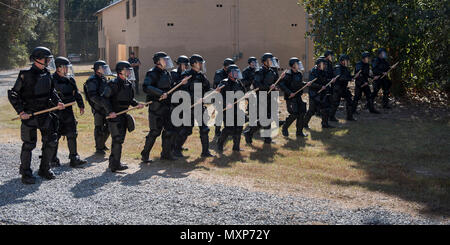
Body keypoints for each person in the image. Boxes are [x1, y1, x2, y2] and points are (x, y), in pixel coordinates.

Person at [8, 47, 65, 184]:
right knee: (29, 144)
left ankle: (44, 169)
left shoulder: (47, 73)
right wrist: (21, 112)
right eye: (47, 59)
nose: (49, 61)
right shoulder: (25, 74)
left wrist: (58, 102)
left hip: (45, 114)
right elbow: (13, 94)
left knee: (51, 141)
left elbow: (52, 91)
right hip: (30, 115)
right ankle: (26, 173)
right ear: (38, 59)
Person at [102, 61, 144, 172]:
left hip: (123, 115)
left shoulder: (128, 84)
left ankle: (114, 162)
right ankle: (115, 165)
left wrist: (137, 104)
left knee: (120, 140)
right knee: (117, 140)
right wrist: (110, 112)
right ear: (120, 71)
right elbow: (104, 98)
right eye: (127, 70)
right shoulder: (113, 84)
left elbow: (130, 99)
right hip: (114, 116)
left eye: (130, 70)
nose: (129, 72)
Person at [174, 54, 214, 158]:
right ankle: (176, 149)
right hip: (188, 107)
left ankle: (205, 152)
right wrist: (194, 99)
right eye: (200, 63)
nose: (201, 65)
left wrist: (213, 93)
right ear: (194, 63)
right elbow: (181, 92)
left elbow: (207, 88)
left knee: (204, 129)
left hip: (199, 107)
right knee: (187, 129)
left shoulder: (201, 76)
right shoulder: (186, 75)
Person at [141, 52, 179, 162]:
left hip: (167, 107)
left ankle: (166, 154)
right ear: (158, 61)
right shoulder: (152, 73)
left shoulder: (167, 73)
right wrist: (160, 93)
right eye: (164, 59)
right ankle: (145, 154)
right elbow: (146, 87)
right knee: (155, 132)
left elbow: (170, 87)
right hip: (156, 107)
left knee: (169, 131)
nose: (166, 61)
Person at [50, 56, 87, 168]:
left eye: (67, 67)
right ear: (58, 68)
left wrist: (81, 105)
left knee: (72, 133)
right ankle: (52, 159)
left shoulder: (70, 79)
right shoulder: (51, 80)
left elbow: (76, 93)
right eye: (65, 67)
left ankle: (74, 158)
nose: (67, 69)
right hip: (56, 112)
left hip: (68, 111)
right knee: (55, 135)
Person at [243, 53, 280, 145]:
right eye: (270, 60)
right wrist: (269, 87)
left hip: (270, 96)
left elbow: (276, 82)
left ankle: (267, 138)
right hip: (262, 97)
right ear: (265, 61)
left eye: (272, 60)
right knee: (264, 118)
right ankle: (249, 133)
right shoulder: (259, 71)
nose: (272, 62)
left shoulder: (272, 71)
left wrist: (276, 86)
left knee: (269, 117)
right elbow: (257, 85)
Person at [84, 60, 113, 155]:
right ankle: (98, 147)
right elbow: (93, 97)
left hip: (106, 107)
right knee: (99, 127)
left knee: (109, 126)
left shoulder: (104, 78)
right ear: (97, 70)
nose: (105, 69)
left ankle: (102, 143)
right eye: (103, 68)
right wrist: (103, 104)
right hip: (98, 108)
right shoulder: (92, 80)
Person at [216, 65, 245, 153]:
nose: (236, 74)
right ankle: (220, 143)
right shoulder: (224, 83)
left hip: (237, 108)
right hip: (227, 109)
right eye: (234, 72)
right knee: (229, 128)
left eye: (237, 72)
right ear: (229, 73)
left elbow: (243, 92)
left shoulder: (238, 82)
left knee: (239, 128)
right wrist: (226, 104)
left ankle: (236, 147)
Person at [279, 57, 309, 137]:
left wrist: (305, 83)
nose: (299, 65)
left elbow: (299, 83)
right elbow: (282, 85)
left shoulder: (299, 73)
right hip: (290, 98)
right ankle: (284, 128)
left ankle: (299, 132)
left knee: (302, 113)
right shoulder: (288, 74)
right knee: (294, 114)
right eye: (297, 64)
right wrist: (290, 93)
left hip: (298, 96)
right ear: (293, 65)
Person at [304, 57, 334, 129]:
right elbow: (311, 83)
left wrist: (330, 80)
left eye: (325, 64)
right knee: (312, 110)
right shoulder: (313, 71)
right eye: (323, 64)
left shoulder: (324, 71)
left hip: (322, 93)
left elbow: (325, 80)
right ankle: (304, 124)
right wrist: (320, 87)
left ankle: (325, 124)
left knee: (326, 108)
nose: (325, 65)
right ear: (319, 64)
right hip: (314, 93)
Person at [171, 55, 190, 154]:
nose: (186, 67)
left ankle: (179, 145)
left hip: (186, 103)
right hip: (176, 103)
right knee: (177, 128)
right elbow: (172, 87)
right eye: (184, 65)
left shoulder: (187, 74)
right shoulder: (174, 73)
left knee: (186, 128)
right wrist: (181, 82)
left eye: (187, 65)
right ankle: (174, 148)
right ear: (180, 64)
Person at [329, 54, 357, 122]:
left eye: (347, 61)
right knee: (335, 103)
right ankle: (331, 117)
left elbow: (348, 76)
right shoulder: (338, 67)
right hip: (337, 88)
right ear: (342, 61)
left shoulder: (346, 68)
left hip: (344, 88)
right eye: (346, 60)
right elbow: (340, 78)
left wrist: (353, 76)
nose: (347, 62)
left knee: (349, 101)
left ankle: (349, 116)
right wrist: (349, 79)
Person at [213, 58, 235, 138]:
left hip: (229, 96)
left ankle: (228, 130)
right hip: (220, 96)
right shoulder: (219, 73)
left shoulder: (232, 72)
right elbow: (218, 84)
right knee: (220, 114)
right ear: (226, 66)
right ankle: (217, 131)